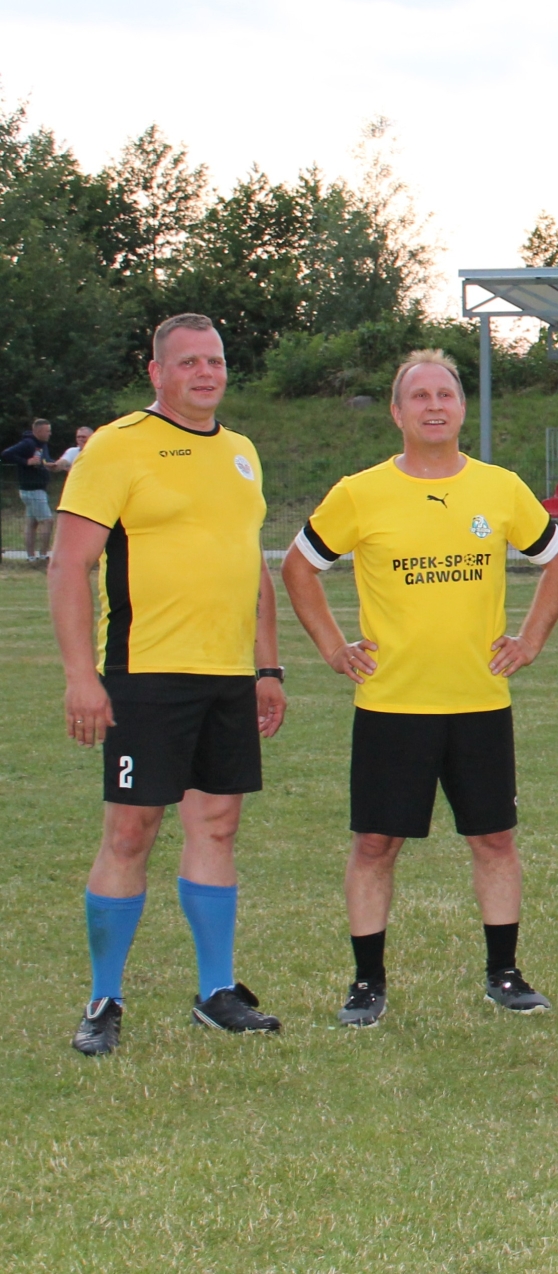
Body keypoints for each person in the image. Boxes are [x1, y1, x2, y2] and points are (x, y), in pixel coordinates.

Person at [282, 350, 558, 1027]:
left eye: (445, 394)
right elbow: (299, 568)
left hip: (479, 701)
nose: (434, 406)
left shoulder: (500, 488)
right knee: (375, 845)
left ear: (462, 408)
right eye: (420, 396)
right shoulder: (360, 492)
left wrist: (529, 641)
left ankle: (504, 975)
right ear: (397, 412)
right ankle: (367, 984)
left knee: (494, 840)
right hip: (393, 704)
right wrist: (333, 647)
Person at [52, 314, 287, 1055]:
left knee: (216, 826)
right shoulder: (117, 446)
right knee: (131, 831)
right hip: (145, 674)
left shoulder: (242, 452)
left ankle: (216, 992)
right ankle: (104, 998)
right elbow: (68, 564)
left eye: (214, 360)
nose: (205, 373)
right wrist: (81, 676)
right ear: (156, 372)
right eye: (188, 362)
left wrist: (267, 668)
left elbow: (251, 566)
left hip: (227, 676)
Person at [3, 418, 55, 561]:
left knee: (32, 523)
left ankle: (31, 557)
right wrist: (26, 462)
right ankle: (43, 555)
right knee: (47, 521)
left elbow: (45, 459)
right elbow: (6, 454)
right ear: (38, 431)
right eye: (47, 431)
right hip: (32, 489)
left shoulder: (42, 444)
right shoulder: (28, 443)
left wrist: (51, 464)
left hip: (39, 488)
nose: (50, 433)